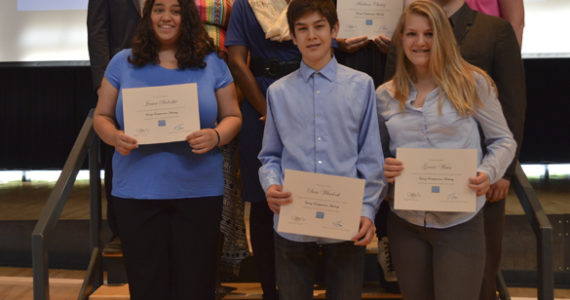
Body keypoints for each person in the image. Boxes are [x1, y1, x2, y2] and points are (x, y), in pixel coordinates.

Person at [92, 0, 242, 298]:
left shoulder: (213, 63)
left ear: (186, 16)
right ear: (148, 16)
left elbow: (234, 117)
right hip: (137, 191)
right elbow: (101, 117)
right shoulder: (122, 61)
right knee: (147, 285)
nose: (166, 17)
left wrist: (215, 135)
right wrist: (114, 137)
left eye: (175, 10)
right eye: (159, 9)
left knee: (196, 285)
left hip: (198, 190)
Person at [385, 1, 526, 298]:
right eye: (411, 34)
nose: (420, 42)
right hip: (406, 222)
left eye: (430, 34)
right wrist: (383, 167)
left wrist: (488, 172)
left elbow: (504, 140)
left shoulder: (472, 83)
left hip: (459, 222)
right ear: (401, 39)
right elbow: (375, 153)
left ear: (443, 37)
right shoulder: (385, 95)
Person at [258, 0, 385, 298]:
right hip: (293, 224)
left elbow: (370, 158)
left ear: (335, 30)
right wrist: (271, 185)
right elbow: (270, 157)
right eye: (302, 29)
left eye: (319, 27)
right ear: (293, 36)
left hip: (347, 223)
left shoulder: (362, 86)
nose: (311, 36)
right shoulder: (278, 92)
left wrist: (368, 210)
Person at [225, 0, 300, 298]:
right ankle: (270, 288)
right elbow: (236, 61)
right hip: (260, 99)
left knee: (306, 188)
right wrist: (266, 109)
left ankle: (300, 283)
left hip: (304, 92)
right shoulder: (245, 4)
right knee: (261, 200)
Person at [87, 0, 142, 245]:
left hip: (163, 72)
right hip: (120, 79)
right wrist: (102, 83)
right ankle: (120, 230)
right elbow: (97, 29)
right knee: (118, 152)